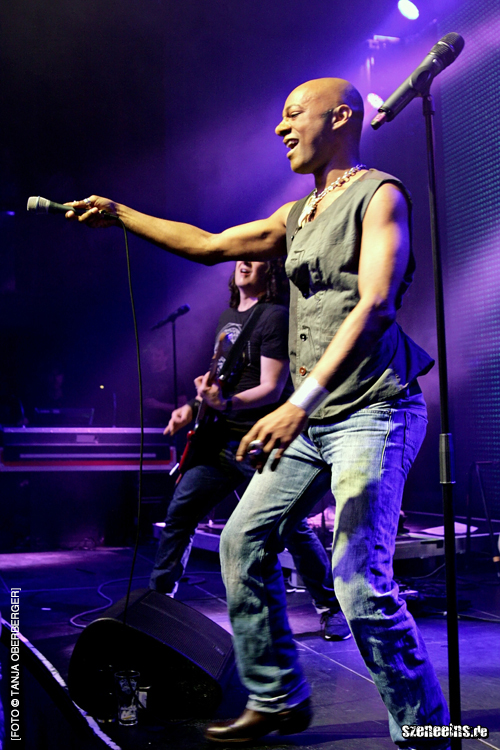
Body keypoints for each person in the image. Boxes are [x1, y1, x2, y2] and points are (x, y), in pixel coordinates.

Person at [67, 77, 450, 748]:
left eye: (293, 114)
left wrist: (298, 402)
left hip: (374, 409)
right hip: (314, 420)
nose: (280, 128)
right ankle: (278, 698)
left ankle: (429, 733)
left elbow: (376, 304)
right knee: (242, 542)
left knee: (359, 582)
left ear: (342, 117)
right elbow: (209, 244)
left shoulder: (380, 195)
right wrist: (121, 214)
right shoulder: (296, 215)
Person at [149, 258, 350, 640]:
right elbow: (221, 382)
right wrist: (192, 406)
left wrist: (224, 404)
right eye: (241, 258)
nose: (244, 262)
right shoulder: (228, 318)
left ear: (269, 272)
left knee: (291, 528)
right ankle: (160, 603)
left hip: (258, 441)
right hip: (219, 442)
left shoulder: (273, 316)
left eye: (254, 259)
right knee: (180, 514)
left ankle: (331, 607)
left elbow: (271, 388)